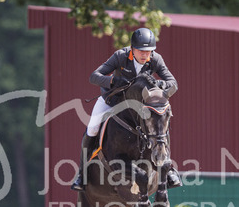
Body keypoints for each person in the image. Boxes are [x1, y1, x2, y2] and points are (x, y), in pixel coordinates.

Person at [71, 27, 182, 191]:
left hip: (138, 106)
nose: (145, 55)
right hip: (113, 100)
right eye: (141, 51)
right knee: (93, 128)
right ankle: (82, 174)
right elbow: (94, 76)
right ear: (132, 49)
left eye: (148, 51)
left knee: (159, 126)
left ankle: (169, 169)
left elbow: (173, 83)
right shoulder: (120, 56)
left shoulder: (156, 59)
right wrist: (112, 81)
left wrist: (162, 84)